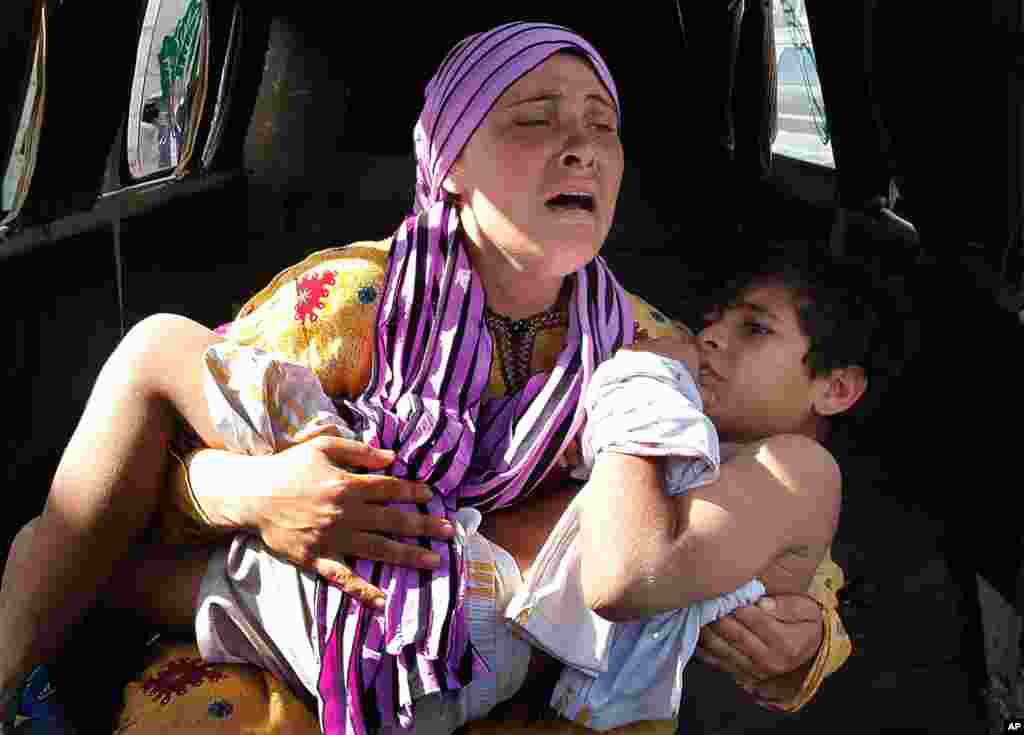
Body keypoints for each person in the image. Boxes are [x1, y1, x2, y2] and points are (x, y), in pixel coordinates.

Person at [1, 22, 850, 734]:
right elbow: (130, 482)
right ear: (448, 160)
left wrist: (807, 640)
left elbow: (749, 517)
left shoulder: (651, 350)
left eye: (602, 125)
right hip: (319, 627)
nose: (581, 148)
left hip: (467, 659)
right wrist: (250, 494)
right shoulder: (341, 303)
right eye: (535, 120)